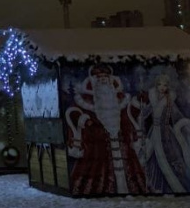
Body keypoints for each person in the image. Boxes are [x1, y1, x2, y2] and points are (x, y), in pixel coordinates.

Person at [66, 64, 146, 195]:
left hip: (121, 142)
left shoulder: (120, 99)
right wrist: (85, 121)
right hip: (97, 147)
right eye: (99, 77)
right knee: (96, 171)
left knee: (129, 169)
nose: (103, 80)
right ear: (93, 80)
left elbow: (129, 115)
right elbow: (74, 114)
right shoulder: (86, 100)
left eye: (105, 77)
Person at [136, 73, 190, 193]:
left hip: (166, 133)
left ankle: (169, 186)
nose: (162, 87)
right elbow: (145, 112)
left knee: (169, 157)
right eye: (160, 84)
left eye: (165, 85)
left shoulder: (170, 100)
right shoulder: (153, 98)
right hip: (154, 132)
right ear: (156, 85)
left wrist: (184, 125)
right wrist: (140, 117)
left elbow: (176, 115)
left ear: (168, 87)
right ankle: (151, 185)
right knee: (149, 157)